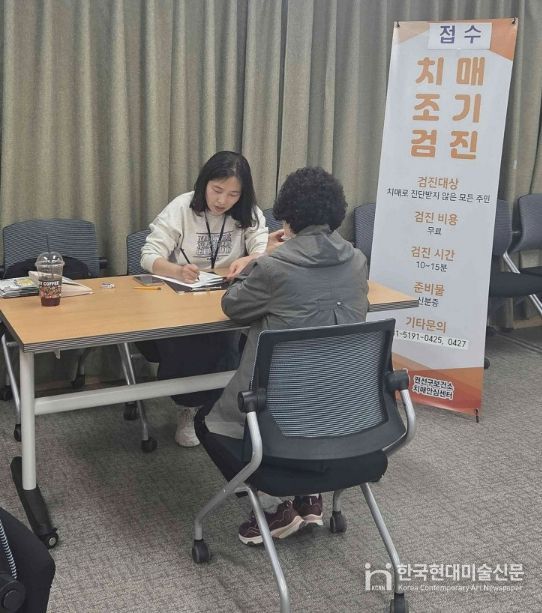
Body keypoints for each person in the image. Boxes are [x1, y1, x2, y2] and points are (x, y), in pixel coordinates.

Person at [195, 166, 369, 545]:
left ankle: (275, 507)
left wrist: (263, 257)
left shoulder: (275, 266)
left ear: (287, 216)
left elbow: (233, 306)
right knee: (312, 387)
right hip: (342, 410)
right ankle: (309, 494)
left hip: (281, 413)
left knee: (206, 423)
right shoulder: (356, 260)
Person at [141, 151, 269, 447]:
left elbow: (262, 247)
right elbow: (148, 256)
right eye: (217, 190)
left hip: (226, 296)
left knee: (233, 340)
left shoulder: (248, 212)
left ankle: (223, 407)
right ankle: (189, 408)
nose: (223, 201)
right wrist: (176, 269)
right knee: (194, 345)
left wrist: (250, 258)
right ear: (204, 184)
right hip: (180, 297)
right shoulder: (182, 207)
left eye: (233, 194)